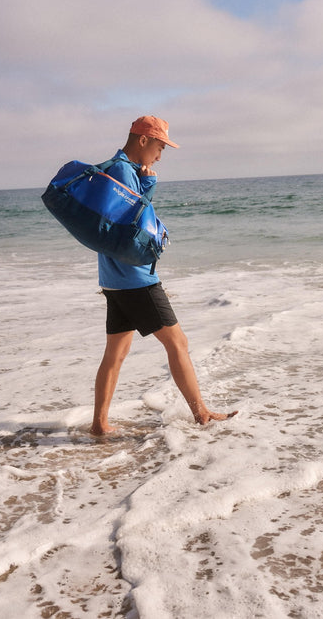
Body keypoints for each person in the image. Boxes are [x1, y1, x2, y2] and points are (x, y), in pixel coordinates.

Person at [90, 115, 236, 436]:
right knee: (178, 342)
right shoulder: (123, 171)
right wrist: (147, 187)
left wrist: (144, 187)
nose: (159, 156)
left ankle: (99, 424)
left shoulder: (117, 169)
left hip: (114, 279)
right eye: (159, 147)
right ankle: (202, 414)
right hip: (135, 279)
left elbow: (116, 221)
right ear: (143, 140)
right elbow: (132, 224)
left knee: (116, 353)